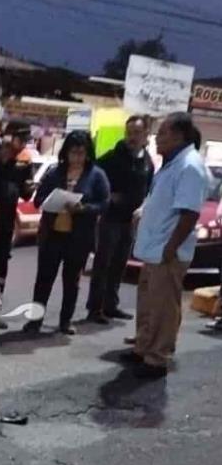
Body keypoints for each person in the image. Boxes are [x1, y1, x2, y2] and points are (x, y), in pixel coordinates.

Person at [123, 113, 208, 378]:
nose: (156, 139)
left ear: (179, 136)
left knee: (163, 307)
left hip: (167, 252)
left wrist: (170, 248)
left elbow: (190, 213)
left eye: (162, 134)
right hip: (154, 249)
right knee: (148, 302)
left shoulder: (190, 166)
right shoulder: (170, 164)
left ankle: (157, 358)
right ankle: (143, 346)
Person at [24, 131, 110, 335]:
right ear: (66, 152)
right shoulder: (55, 172)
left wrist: (84, 208)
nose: (78, 157)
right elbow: (38, 200)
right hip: (52, 234)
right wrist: (52, 202)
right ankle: (35, 321)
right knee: (44, 280)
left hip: (78, 237)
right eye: (74, 152)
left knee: (72, 281)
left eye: (82, 153)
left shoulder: (96, 175)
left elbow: (104, 203)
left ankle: (65, 321)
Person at [86, 115, 155, 323]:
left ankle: (111, 305)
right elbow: (92, 178)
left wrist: (143, 206)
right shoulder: (112, 157)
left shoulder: (147, 160)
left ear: (146, 135)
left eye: (137, 132)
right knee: (103, 263)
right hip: (110, 219)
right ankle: (95, 308)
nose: (132, 137)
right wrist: (108, 196)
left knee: (119, 264)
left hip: (131, 221)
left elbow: (149, 188)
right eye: (129, 132)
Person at [0, 120, 35, 294]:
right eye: (21, 139)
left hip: (6, 223)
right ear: (8, 137)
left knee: (0, 266)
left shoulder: (25, 160)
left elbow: (25, 193)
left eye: (26, 140)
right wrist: (1, 161)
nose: (23, 145)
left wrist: (29, 188)